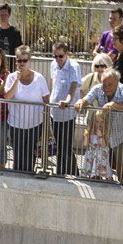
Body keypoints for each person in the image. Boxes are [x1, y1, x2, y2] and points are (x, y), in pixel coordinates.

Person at [78, 70, 123, 182]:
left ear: (117, 82)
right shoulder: (98, 88)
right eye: (104, 84)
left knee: (121, 161)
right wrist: (81, 102)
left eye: (110, 85)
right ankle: (97, 179)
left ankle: (121, 181)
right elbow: (87, 99)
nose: (107, 87)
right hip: (101, 132)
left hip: (121, 132)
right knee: (98, 157)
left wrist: (115, 105)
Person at [3, 46, 50, 173]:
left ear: (30, 61)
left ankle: (29, 177)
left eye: (25, 60)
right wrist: (17, 79)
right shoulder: (12, 77)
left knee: (30, 156)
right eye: (19, 61)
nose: (22, 63)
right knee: (18, 156)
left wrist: (47, 124)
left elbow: (46, 100)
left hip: (35, 124)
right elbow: (7, 96)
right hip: (16, 124)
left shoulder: (39, 78)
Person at [50, 41, 82, 175]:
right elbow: (54, 82)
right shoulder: (53, 65)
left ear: (67, 54)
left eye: (60, 56)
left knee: (66, 146)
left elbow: (74, 84)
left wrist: (68, 100)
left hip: (68, 113)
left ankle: (71, 173)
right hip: (55, 112)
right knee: (60, 145)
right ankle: (62, 172)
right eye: (55, 56)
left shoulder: (74, 66)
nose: (57, 59)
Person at [81, 110, 112, 180]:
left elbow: (104, 145)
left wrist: (101, 136)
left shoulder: (106, 130)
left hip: (101, 155)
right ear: (93, 122)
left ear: (105, 122)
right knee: (91, 172)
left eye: (102, 122)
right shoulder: (91, 130)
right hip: (91, 154)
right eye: (97, 122)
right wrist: (87, 134)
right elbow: (85, 144)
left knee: (99, 173)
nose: (99, 124)